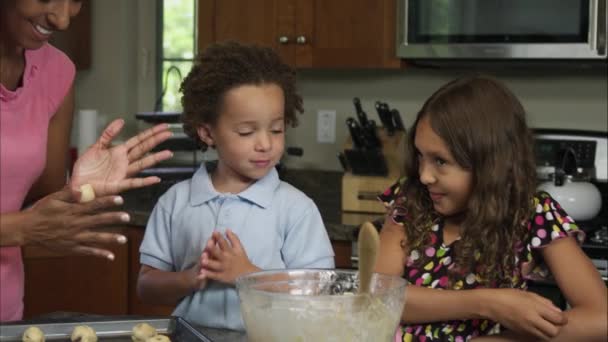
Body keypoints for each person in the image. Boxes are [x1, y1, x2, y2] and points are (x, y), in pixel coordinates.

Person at [375, 75, 607, 341]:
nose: (425, 175)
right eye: (420, 156)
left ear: (490, 165)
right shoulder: (410, 201)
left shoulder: (534, 215)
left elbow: (600, 318)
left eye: (440, 161)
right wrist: (489, 303)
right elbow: (381, 299)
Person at [136, 41, 335, 330]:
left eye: (276, 130)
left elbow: (321, 291)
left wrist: (248, 276)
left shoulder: (296, 209)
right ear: (207, 132)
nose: (265, 143)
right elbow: (146, 286)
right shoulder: (175, 202)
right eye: (246, 131)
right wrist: (189, 278)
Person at [1, 0, 172, 321]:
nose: (63, 19)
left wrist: (79, 190)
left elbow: (41, 200)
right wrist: (20, 229)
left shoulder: (56, 72)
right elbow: (26, 226)